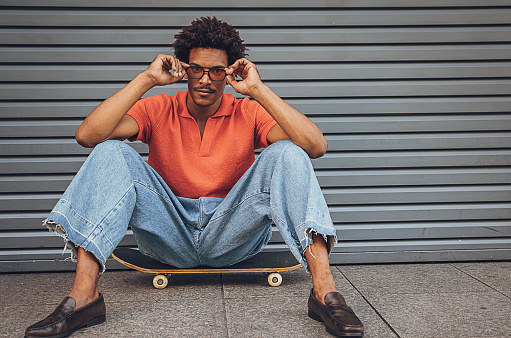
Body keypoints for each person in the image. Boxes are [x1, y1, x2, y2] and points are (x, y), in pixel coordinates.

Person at [24, 17, 364, 337]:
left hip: (231, 233)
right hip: (169, 234)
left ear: (229, 73)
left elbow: (315, 145)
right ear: (184, 70)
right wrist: (146, 79)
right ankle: (84, 296)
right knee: (110, 151)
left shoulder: (247, 111)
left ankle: (325, 293)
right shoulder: (159, 108)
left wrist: (258, 90)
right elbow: (87, 135)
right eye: (197, 69)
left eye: (216, 72)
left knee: (288, 152)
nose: (204, 80)